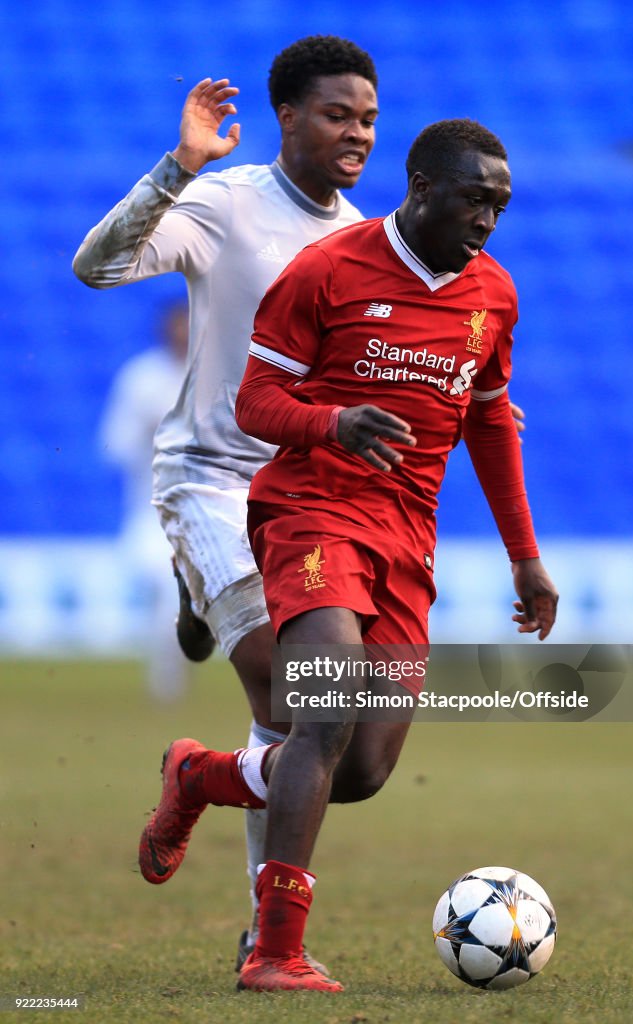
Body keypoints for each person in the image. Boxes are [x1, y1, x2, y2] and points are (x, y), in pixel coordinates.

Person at [73, 36, 526, 974]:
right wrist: (177, 167)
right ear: (285, 117)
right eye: (335, 114)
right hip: (214, 473)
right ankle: (268, 941)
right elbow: (98, 267)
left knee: (333, 736)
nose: (356, 133)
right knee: (295, 699)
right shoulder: (225, 200)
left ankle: (198, 774)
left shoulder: (369, 237)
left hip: (327, 489)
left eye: (366, 117)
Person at [99, 300, 190, 701]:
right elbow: (113, 445)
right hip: (152, 512)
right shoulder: (140, 379)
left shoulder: (216, 370)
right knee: (168, 591)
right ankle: (167, 684)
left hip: (216, 508)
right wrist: (151, 433)